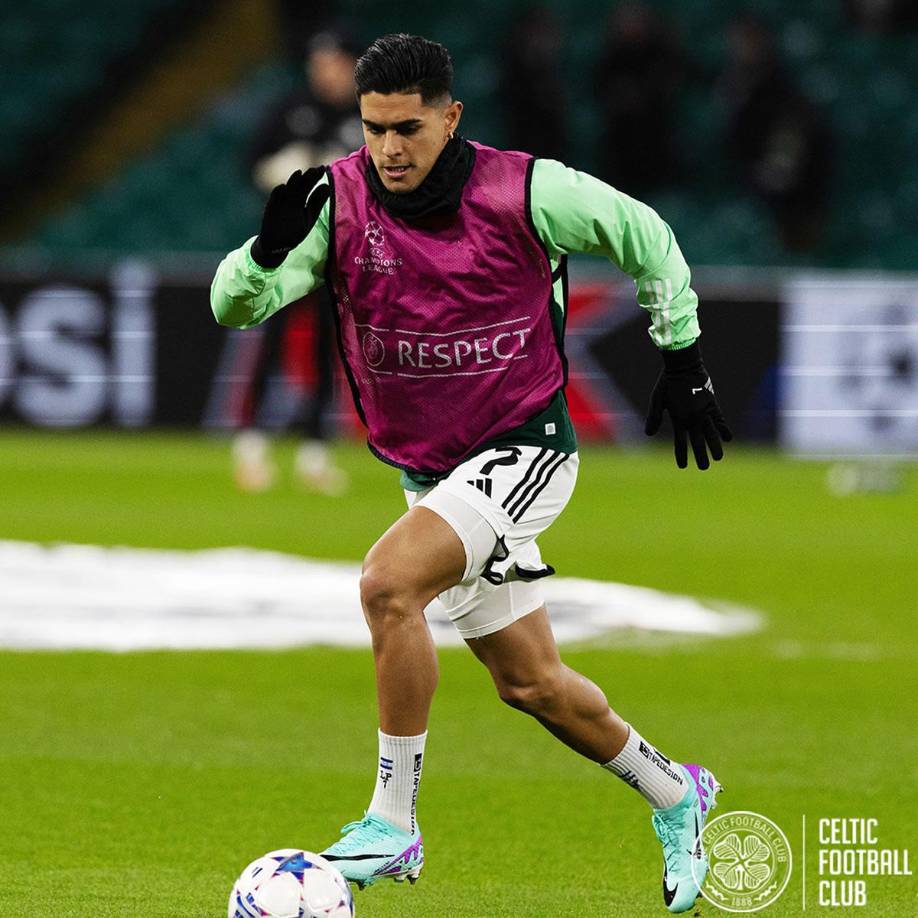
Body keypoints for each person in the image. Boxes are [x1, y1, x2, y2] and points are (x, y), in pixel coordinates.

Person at [211, 33, 732, 913]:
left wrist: (681, 355)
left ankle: (393, 822)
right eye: (374, 128)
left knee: (388, 584)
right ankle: (678, 794)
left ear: (450, 118)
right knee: (532, 685)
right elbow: (235, 308)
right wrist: (262, 256)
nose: (389, 149)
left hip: (526, 446)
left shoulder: (528, 191)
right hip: (434, 474)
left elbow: (647, 235)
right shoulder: (336, 203)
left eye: (408, 128)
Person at [233, 29, 363, 493]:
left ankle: (315, 452)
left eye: (332, 63)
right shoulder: (290, 109)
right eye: (318, 64)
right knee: (271, 343)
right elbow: (250, 163)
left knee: (329, 349)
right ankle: (251, 446)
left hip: (336, 252)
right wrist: (280, 172)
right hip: (287, 250)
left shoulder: (365, 114)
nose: (323, 73)